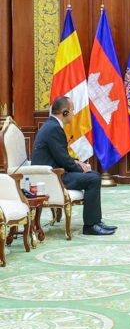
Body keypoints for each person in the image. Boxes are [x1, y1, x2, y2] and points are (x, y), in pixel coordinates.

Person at [31, 96, 116, 236]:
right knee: (93, 179)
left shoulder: (52, 126)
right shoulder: (54, 128)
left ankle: (96, 222)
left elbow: (61, 156)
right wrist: (82, 169)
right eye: (72, 110)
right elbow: (63, 160)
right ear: (64, 112)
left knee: (93, 175)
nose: (73, 113)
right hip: (53, 178)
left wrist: (78, 163)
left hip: (54, 173)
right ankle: (90, 226)